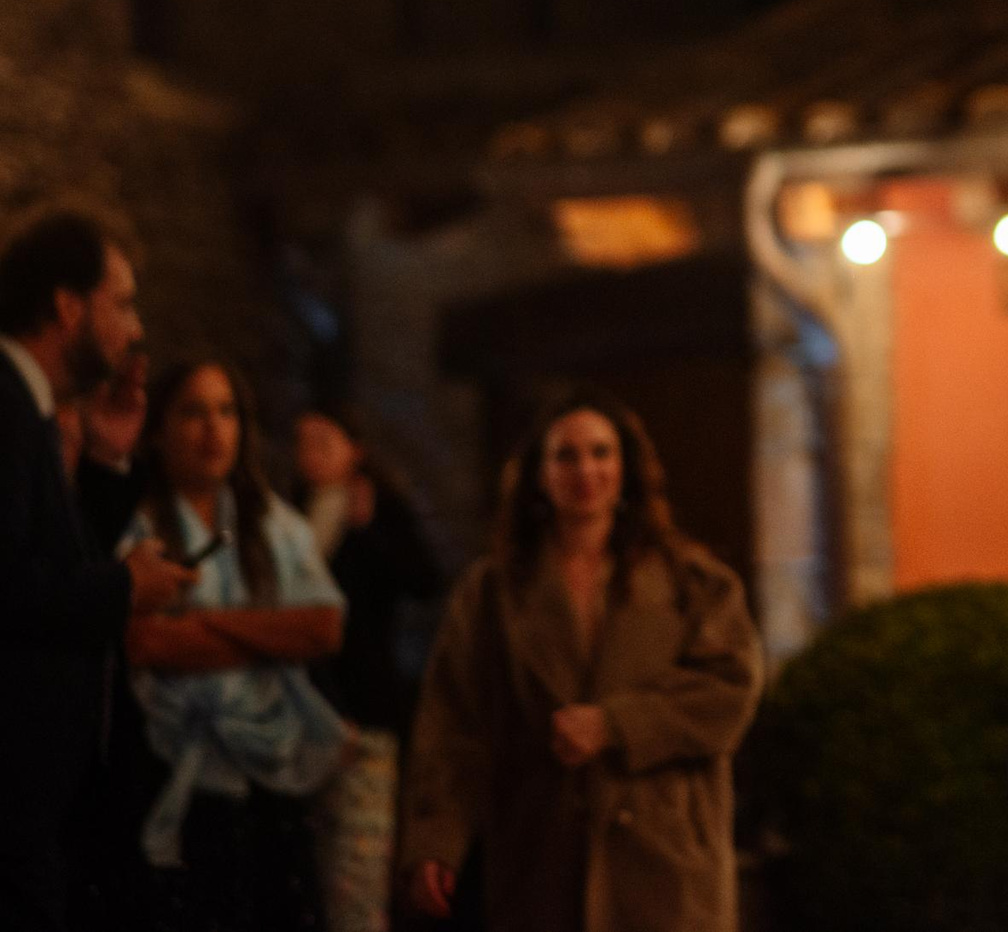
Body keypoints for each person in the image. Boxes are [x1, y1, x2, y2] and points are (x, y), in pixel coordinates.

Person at [400, 389, 764, 932]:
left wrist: (617, 724)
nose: (585, 470)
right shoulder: (494, 592)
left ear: (626, 467)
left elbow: (731, 689)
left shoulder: (693, 581)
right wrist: (437, 840)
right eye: (565, 455)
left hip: (664, 860)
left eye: (601, 452)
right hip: (542, 854)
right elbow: (454, 721)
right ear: (538, 474)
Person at [0, 209, 194, 932]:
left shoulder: (31, 406)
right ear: (67, 305)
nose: (135, 328)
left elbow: (56, 559)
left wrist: (110, 462)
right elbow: (11, 584)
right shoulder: (5, 404)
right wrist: (124, 588)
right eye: (123, 301)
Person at [112, 355, 349, 931]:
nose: (214, 430)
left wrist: (208, 625)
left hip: (268, 776)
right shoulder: (137, 523)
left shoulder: (273, 523)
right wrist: (269, 634)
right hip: (167, 768)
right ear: (160, 428)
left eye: (227, 412)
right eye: (194, 413)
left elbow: (322, 628)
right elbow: (144, 644)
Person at [292, 408, 444, 932]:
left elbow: (425, 581)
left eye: (323, 441)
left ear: (354, 447)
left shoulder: (379, 505)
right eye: (302, 443)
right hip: (296, 713)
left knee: (358, 872)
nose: (310, 454)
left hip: (366, 710)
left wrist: (368, 531)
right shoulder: (290, 513)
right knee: (304, 871)